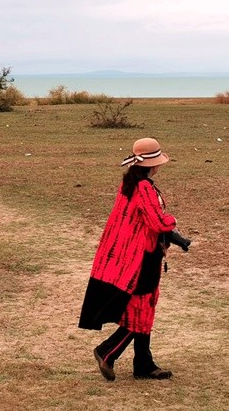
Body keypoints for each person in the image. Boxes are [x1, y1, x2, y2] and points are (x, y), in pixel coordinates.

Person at [78, 137, 179, 381]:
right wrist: (172, 222)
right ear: (153, 164)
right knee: (142, 309)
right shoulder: (143, 188)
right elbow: (157, 222)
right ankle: (108, 351)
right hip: (142, 257)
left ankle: (144, 363)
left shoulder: (130, 184)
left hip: (133, 254)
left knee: (144, 307)